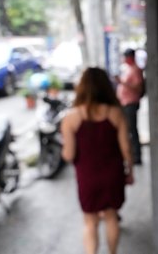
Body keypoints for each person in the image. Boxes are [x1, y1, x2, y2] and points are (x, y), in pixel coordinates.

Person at [61, 67, 134, 254]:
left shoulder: (70, 119)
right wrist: (130, 172)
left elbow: (69, 155)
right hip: (113, 174)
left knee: (90, 221)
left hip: (87, 177)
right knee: (111, 217)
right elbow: (126, 148)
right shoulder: (116, 113)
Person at [115, 48, 144, 165]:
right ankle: (132, 153)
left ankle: (136, 156)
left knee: (132, 129)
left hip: (131, 103)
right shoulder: (129, 69)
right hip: (125, 103)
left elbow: (138, 88)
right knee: (128, 129)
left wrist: (122, 83)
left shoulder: (136, 70)